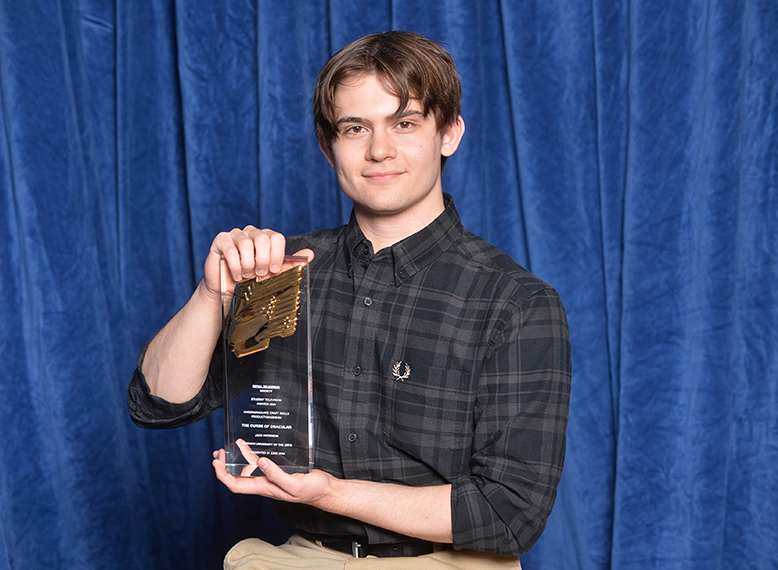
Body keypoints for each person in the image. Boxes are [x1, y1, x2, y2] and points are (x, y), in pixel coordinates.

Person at [128, 31, 571, 569]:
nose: (378, 149)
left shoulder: (514, 303)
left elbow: (510, 513)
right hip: (300, 557)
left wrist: (331, 493)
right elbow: (157, 406)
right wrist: (213, 293)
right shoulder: (282, 273)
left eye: (404, 123)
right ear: (328, 146)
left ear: (449, 133)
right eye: (355, 128)